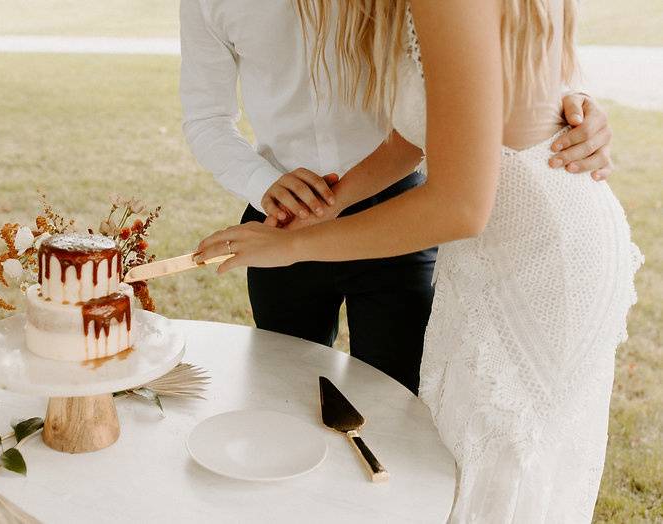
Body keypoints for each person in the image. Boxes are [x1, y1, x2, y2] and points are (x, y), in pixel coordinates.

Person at [195, 0, 641, 520]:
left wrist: (289, 247)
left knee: (495, 471)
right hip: (493, 248)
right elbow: (420, 130)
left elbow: (459, 205)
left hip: (536, 260)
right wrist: (325, 208)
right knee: (455, 453)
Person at [180, 0, 614, 394]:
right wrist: (264, 183)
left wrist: (562, 104)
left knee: (401, 398)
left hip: (408, 213)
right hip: (283, 217)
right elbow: (205, 117)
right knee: (287, 393)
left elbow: (502, 41)